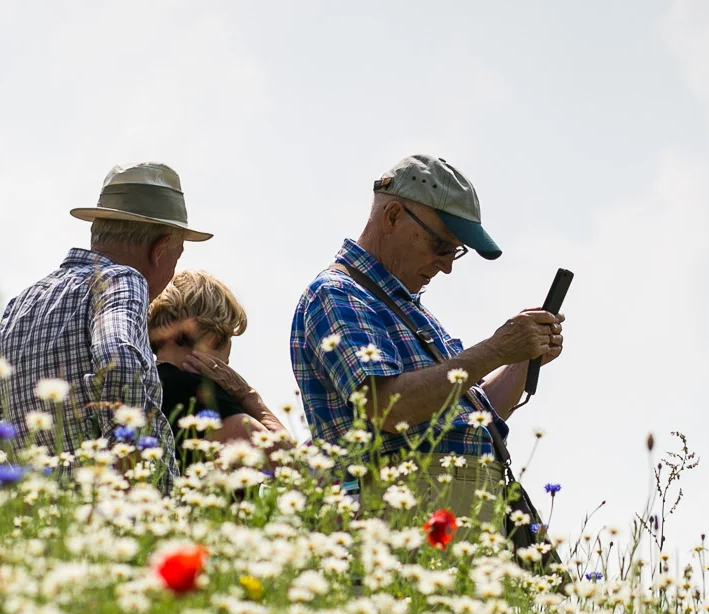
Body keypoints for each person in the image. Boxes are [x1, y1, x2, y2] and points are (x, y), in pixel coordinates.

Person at [289, 154, 563, 522]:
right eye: (442, 246)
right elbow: (389, 408)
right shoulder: (337, 294)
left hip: (446, 513)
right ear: (393, 217)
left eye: (456, 252)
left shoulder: (408, 308)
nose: (448, 265)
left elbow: (478, 417)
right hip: (397, 516)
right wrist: (496, 349)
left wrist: (519, 360)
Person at [0, 163, 211, 477]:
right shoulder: (124, 280)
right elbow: (117, 356)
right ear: (160, 250)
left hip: (45, 519)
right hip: (119, 515)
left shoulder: (25, 302)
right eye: (178, 254)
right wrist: (125, 464)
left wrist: (9, 487)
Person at [148, 269, 286, 446]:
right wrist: (246, 394)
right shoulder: (202, 394)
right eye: (228, 336)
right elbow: (290, 460)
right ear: (213, 332)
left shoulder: (138, 384)